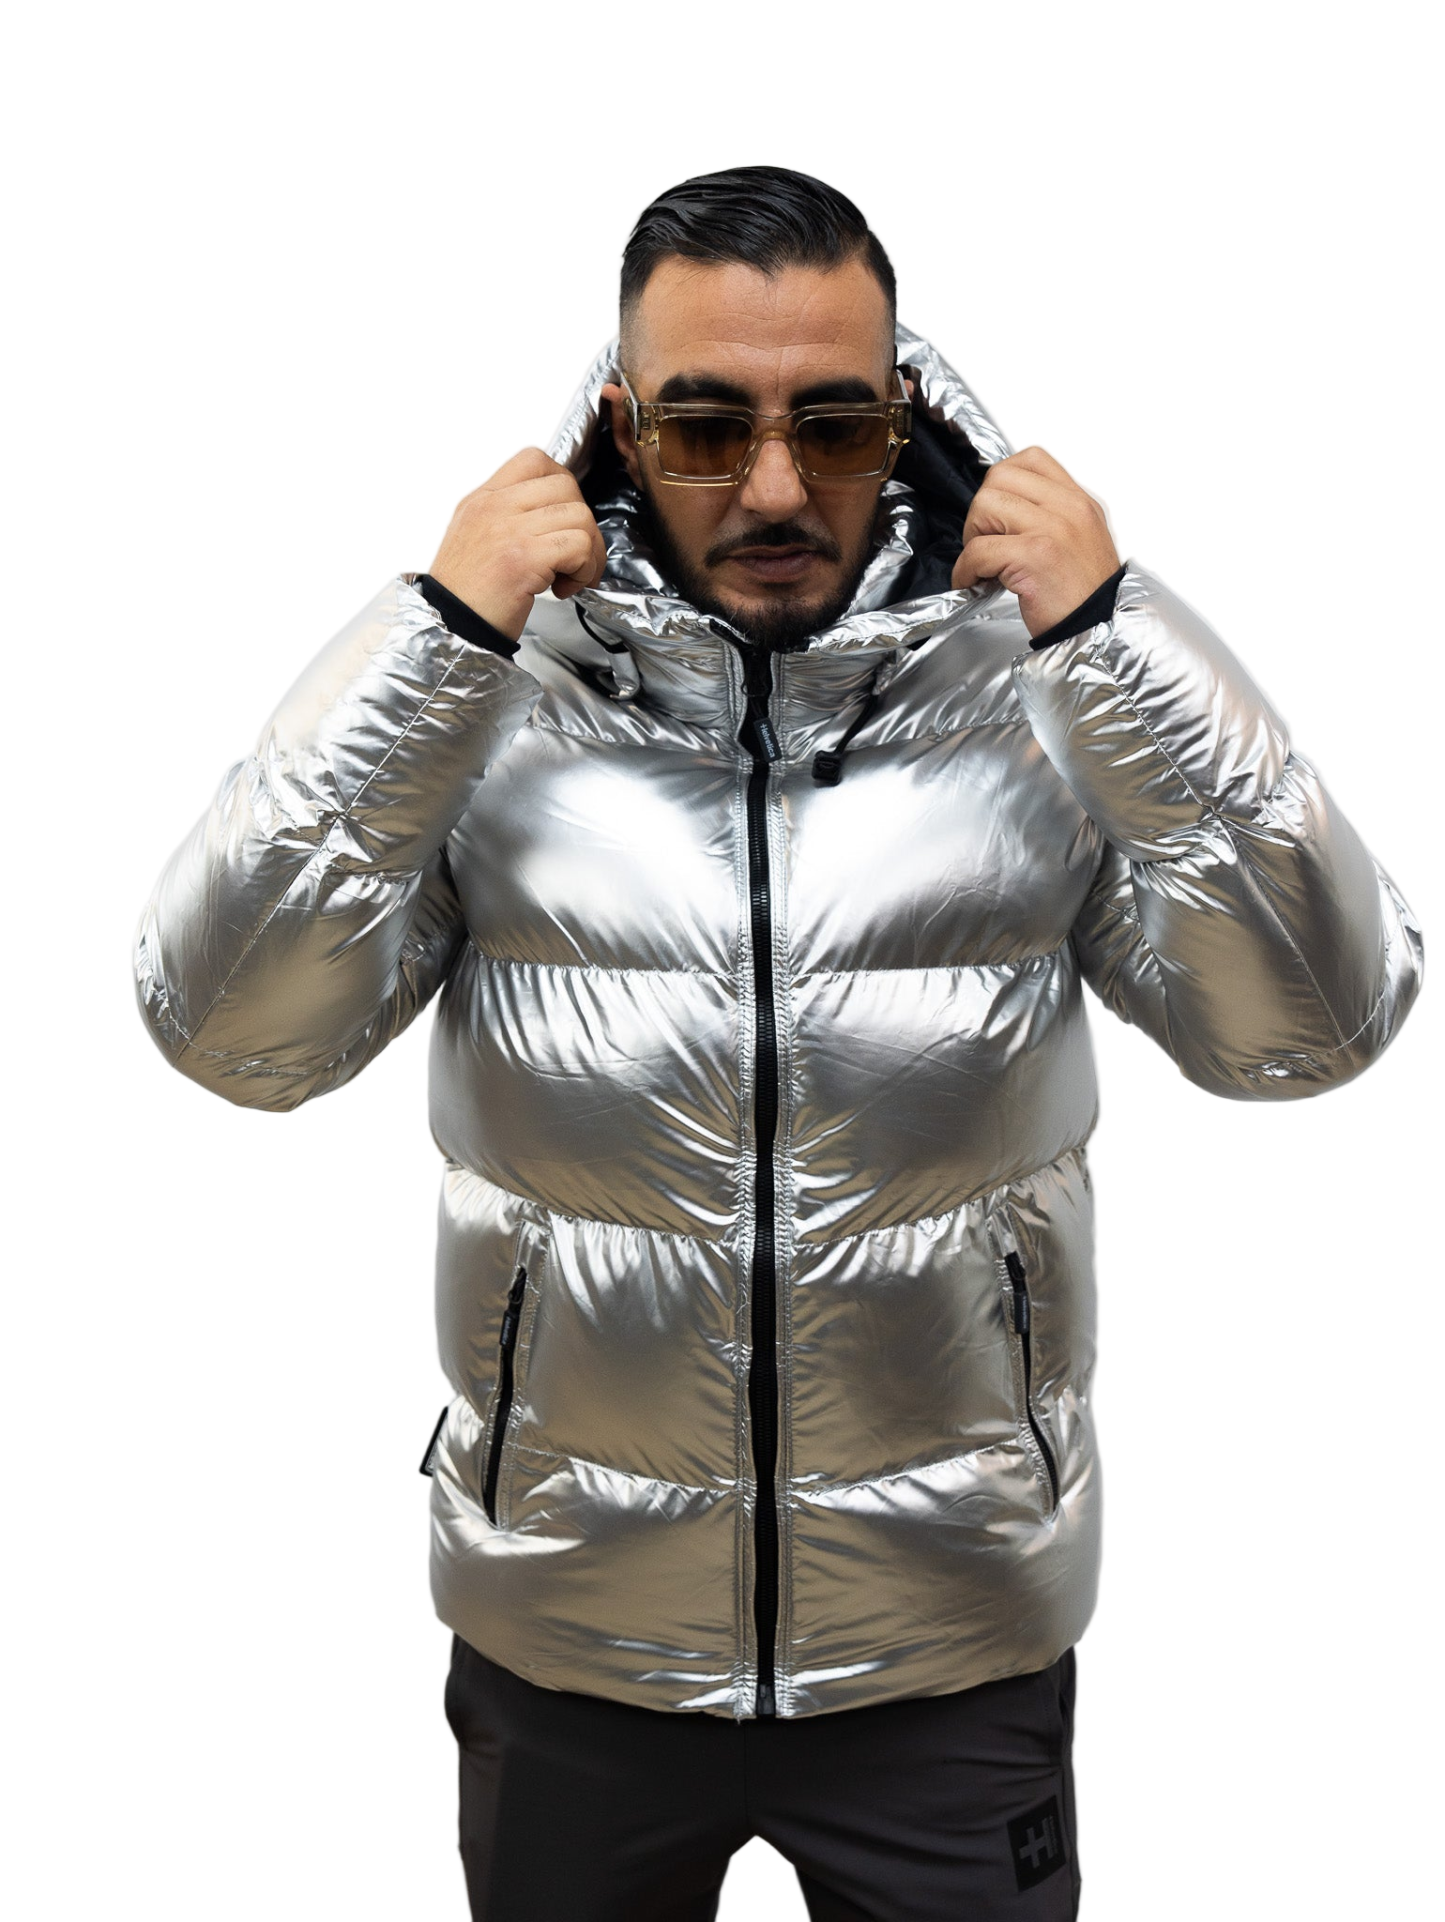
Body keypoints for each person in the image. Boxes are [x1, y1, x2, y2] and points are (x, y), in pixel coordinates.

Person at [132, 166, 1424, 1920]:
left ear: (904, 424)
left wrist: (1115, 636)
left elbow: (1317, 1024)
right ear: (619, 430)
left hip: (951, 1644)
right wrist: (435, 637)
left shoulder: (1038, 696)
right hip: (573, 1634)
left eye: (833, 424)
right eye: (701, 427)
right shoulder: (494, 700)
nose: (771, 487)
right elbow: (227, 1031)